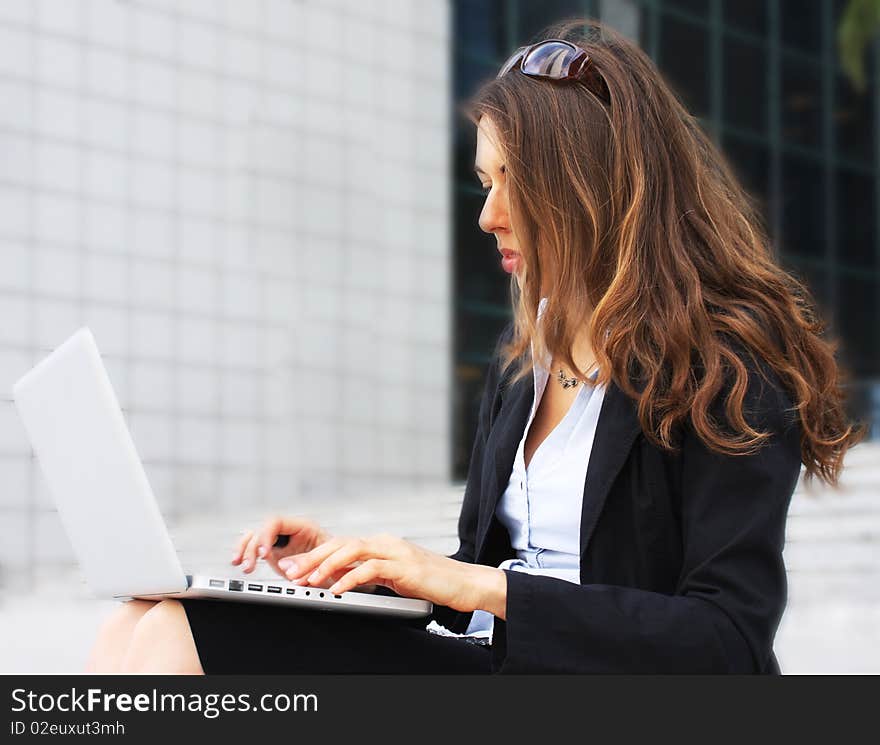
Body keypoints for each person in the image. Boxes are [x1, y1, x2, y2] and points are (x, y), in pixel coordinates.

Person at [84, 17, 863, 675]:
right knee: (147, 618)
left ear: (579, 183)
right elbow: (470, 577)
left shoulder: (726, 365)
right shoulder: (524, 358)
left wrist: (480, 586)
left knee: (181, 641)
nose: (487, 215)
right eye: (482, 183)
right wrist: (368, 571)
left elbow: (727, 640)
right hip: (490, 668)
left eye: (505, 181)